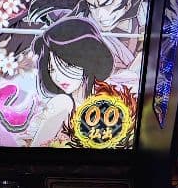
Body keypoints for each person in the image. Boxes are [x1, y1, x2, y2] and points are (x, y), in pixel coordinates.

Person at [29, 19, 114, 147]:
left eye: (67, 65)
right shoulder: (62, 103)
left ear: (87, 61)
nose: (58, 77)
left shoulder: (106, 102)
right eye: (52, 69)